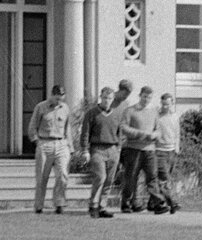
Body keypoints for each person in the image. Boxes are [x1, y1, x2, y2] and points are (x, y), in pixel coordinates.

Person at [81, 82, 129, 218]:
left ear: (113, 99)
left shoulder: (116, 115)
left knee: (109, 180)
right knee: (100, 177)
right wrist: (85, 150)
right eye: (104, 98)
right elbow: (85, 133)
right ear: (100, 98)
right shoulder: (92, 114)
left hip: (113, 149)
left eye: (109, 98)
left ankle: (102, 206)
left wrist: (119, 148)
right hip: (97, 149)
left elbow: (120, 132)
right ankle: (93, 205)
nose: (106, 101)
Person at [28, 84, 72, 214]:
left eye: (61, 98)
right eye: (57, 98)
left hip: (61, 143)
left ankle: (59, 203)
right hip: (45, 143)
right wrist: (37, 141)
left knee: (63, 175)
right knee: (42, 177)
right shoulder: (41, 107)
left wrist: (70, 146)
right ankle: (39, 206)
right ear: (52, 95)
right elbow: (32, 126)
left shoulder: (65, 108)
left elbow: (68, 128)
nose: (59, 101)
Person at [117, 85, 160, 212]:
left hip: (149, 149)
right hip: (133, 148)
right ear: (140, 96)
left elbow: (158, 129)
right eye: (144, 96)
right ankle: (127, 203)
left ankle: (157, 202)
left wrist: (155, 135)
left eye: (149, 97)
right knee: (131, 176)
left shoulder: (154, 111)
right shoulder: (130, 111)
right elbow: (124, 128)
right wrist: (141, 134)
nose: (146, 99)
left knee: (152, 176)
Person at [148, 92, 183, 214]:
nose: (165, 107)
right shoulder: (157, 116)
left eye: (167, 104)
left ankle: (152, 202)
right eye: (163, 104)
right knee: (165, 179)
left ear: (172, 104)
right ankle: (172, 202)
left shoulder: (175, 116)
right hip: (160, 151)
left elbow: (177, 133)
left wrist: (177, 146)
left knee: (167, 177)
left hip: (172, 151)